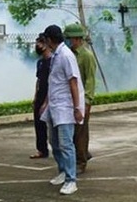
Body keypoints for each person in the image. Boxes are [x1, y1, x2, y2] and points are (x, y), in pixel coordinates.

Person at [39, 25, 85, 195]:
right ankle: (63, 171)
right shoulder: (56, 55)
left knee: (66, 144)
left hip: (65, 108)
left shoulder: (66, 56)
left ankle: (71, 180)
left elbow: (73, 82)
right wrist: (46, 103)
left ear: (50, 40)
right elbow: (54, 83)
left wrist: (76, 107)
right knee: (55, 142)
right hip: (54, 106)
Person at [63, 23, 96, 174]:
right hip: (71, 99)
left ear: (77, 39)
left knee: (80, 132)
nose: (68, 41)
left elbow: (90, 79)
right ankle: (83, 153)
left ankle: (81, 162)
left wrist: (87, 101)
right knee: (74, 131)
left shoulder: (86, 56)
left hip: (83, 99)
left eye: (70, 38)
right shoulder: (69, 54)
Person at [29, 34, 51, 159]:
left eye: (40, 43)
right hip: (41, 95)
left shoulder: (53, 61)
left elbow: (53, 82)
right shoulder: (40, 62)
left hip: (52, 95)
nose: (38, 45)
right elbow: (39, 80)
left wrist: (46, 102)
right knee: (39, 123)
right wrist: (36, 96)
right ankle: (42, 149)